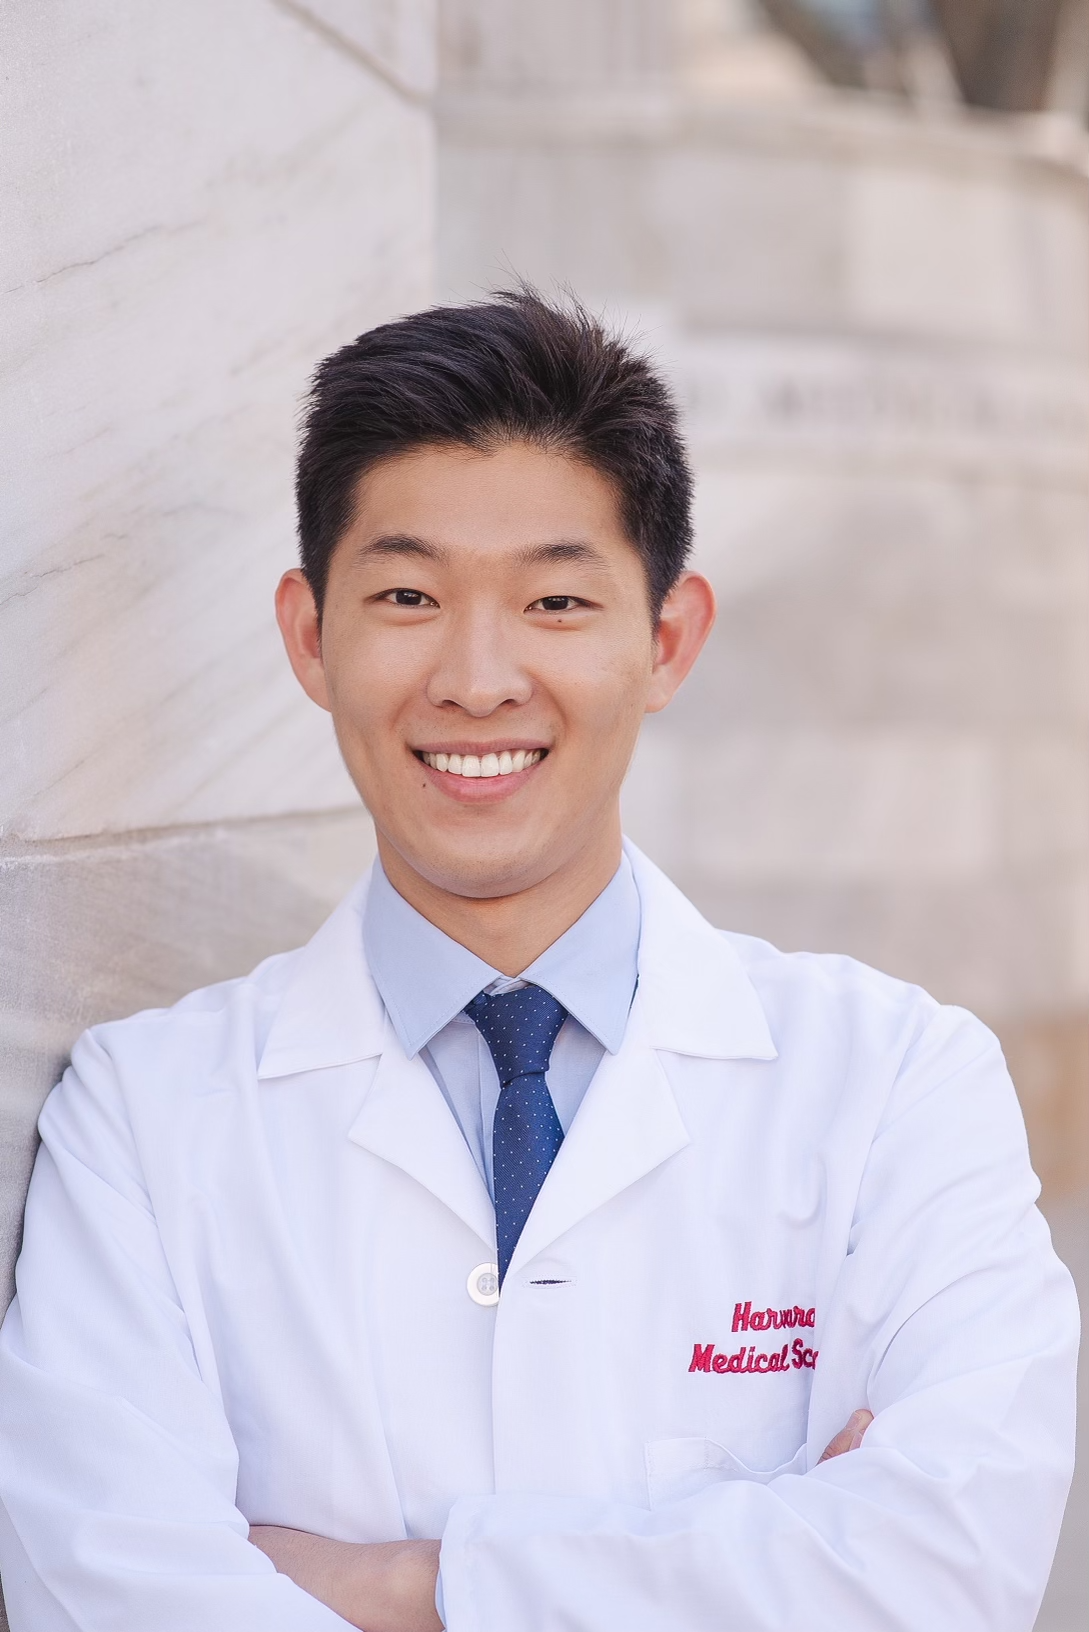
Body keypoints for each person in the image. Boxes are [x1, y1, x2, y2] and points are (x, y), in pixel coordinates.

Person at [0, 290, 1077, 1632]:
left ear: (667, 640)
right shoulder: (143, 1118)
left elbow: (948, 1570)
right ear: (308, 635)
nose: (479, 675)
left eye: (558, 600)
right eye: (407, 595)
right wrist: (753, 1553)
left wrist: (418, 1583)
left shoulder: (898, 1080)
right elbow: (99, 1592)